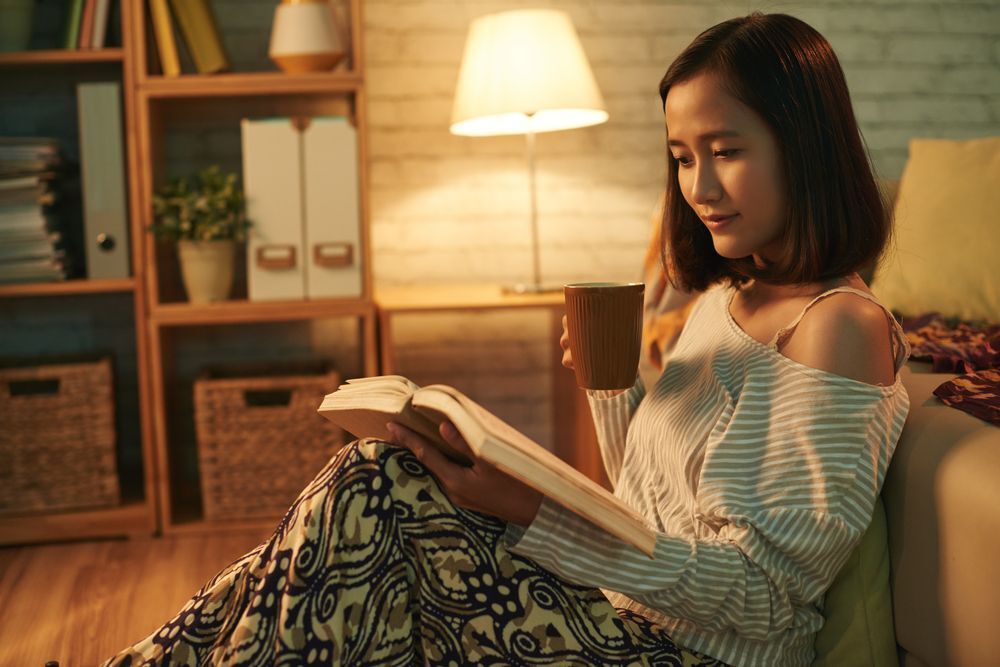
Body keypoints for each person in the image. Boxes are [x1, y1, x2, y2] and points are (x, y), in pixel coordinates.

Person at [105, 12, 910, 667]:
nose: (698, 187)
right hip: (622, 618)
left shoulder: (837, 328)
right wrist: (610, 387)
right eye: (681, 157)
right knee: (382, 470)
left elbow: (764, 598)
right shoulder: (724, 297)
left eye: (726, 152)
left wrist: (532, 511)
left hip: (690, 655)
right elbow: (645, 506)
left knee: (377, 492)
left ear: (804, 147)